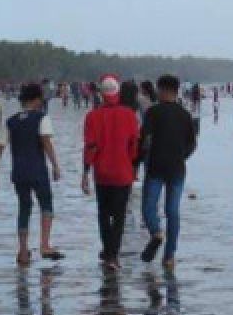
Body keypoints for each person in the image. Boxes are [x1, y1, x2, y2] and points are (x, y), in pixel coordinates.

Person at [0, 83, 64, 265]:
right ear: (36, 99)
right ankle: (44, 245)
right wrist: (55, 165)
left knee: (24, 208)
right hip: (37, 170)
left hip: (18, 172)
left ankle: (22, 251)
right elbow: (45, 141)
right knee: (46, 204)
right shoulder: (41, 118)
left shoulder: (11, 121)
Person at [139, 75, 197, 270]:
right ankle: (169, 255)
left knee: (148, 208)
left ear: (161, 89)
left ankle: (156, 233)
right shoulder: (185, 114)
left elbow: (145, 140)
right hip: (177, 169)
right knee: (172, 212)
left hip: (155, 167)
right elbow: (192, 143)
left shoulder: (152, 113)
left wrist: (139, 160)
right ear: (177, 90)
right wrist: (182, 156)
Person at [82, 74, 140, 271]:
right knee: (120, 215)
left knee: (103, 214)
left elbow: (90, 146)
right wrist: (132, 165)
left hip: (102, 173)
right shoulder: (130, 115)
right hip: (123, 172)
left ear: (101, 93)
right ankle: (113, 255)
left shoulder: (92, 116)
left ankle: (108, 252)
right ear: (118, 92)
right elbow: (134, 145)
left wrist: (85, 172)